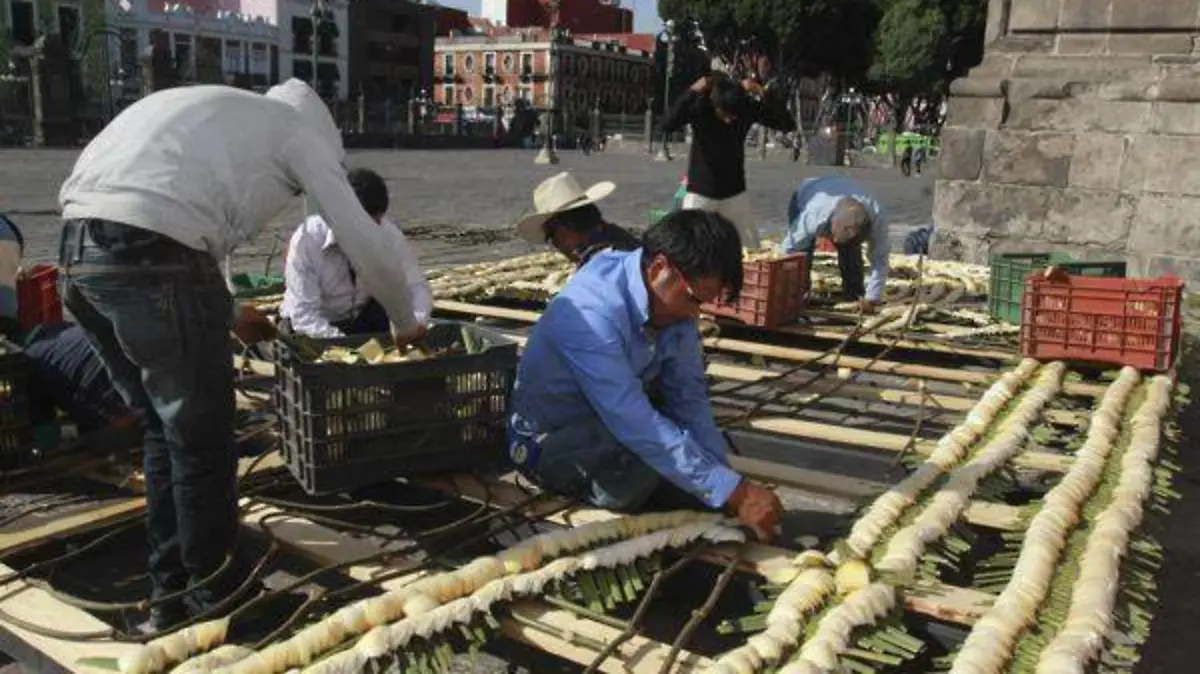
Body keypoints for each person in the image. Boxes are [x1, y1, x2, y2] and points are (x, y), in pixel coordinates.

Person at [57, 79, 425, 631]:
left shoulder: (216, 111)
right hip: (152, 260)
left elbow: (171, 213)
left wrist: (226, 311)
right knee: (204, 445)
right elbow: (367, 243)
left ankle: (170, 599)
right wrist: (403, 323)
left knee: (165, 432)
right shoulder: (298, 135)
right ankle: (218, 601)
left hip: (78, 259)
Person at [508, 209, 784, 541]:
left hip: (611, 420)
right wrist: (732, 492)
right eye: (694, 299)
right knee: (641, 476)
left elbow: (689, 398)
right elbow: (631, 417)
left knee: (688, 462)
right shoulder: (589, 313)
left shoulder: (674, 303)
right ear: (658, 269)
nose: (695, 313)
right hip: (553, 440)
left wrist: (724, 479)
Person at [280, 168, 433, 338]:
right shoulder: (306, 241)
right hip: (317, 326)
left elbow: (415, 286)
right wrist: (346, 348)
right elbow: (304, 316)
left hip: (362, 316)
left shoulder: (389, 235)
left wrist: (416, 324)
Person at [661, 71, 797, 249]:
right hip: (701, 191)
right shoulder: (700, 107)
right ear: (713, 103)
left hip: (734, 192)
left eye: (733, 116)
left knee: (751, 248)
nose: (728, 120)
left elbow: (786, 124)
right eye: (723, 114)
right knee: (692, 247)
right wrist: (693, 90)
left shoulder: (745, 106)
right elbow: (667, 124)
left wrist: (764, 92)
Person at [781, 175, 891, 314]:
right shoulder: (814, 215)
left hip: (841, 193)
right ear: (831, 223)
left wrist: (872, 297)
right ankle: (798, 297)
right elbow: (789, 248)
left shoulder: (877, 218)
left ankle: (854, 297)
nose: (834, 242)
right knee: (802, 255)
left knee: (850, 254)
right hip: (807, 193)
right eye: (833, 237)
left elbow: (880, 259)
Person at [516, 172, 640, 267]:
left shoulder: (600, 265)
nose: (555, 245)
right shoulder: (616, 236)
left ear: (563, 232)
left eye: (551, 235)